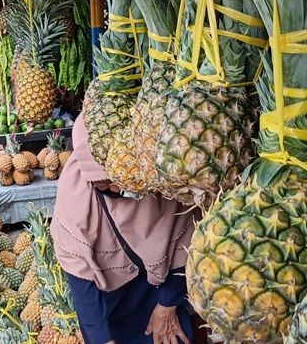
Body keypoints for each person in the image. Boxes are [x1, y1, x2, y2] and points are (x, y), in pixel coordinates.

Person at [50, 117, 197, 344]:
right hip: (115, 304)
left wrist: (167, 304)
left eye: (123, 180)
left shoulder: (159, 179)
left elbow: (186, 237)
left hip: (166, 289)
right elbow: (82, 285)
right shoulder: (74, 201)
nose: (117, 188)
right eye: (104, 184)